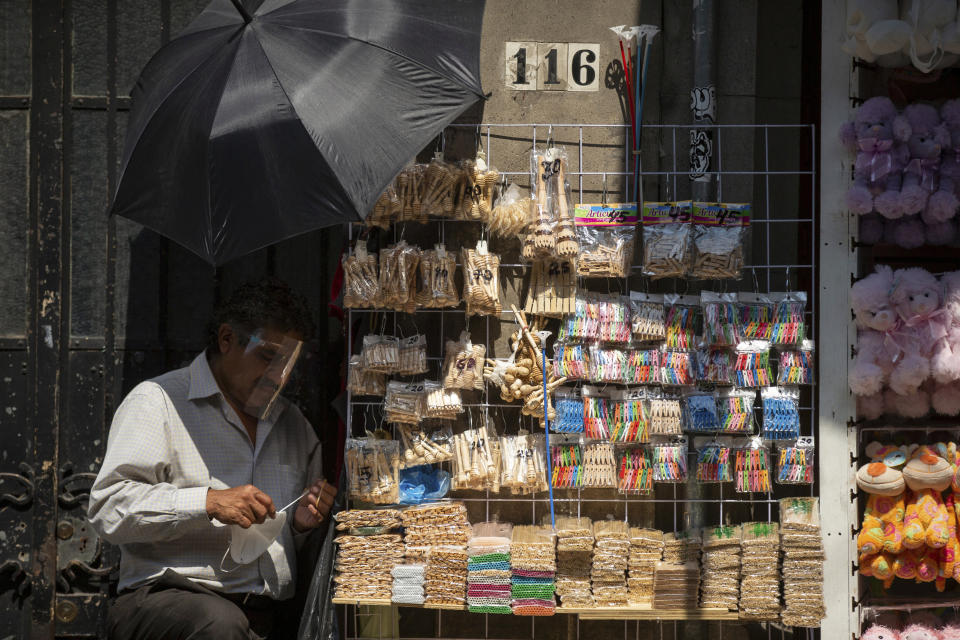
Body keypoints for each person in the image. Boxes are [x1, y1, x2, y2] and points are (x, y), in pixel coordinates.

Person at [88, 278, 337, 640]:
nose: (278, 375)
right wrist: (207, 502)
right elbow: (108, 509)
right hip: (171, 601)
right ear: (226, 339)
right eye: (268, 356)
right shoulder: (158, 401)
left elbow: (287, 544)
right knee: (220, 624)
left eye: (289, 363)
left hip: (264, 614)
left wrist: (299, 526)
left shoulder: (294, 426)